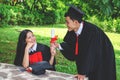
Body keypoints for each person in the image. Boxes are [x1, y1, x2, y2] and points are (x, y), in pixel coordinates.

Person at [52, 5, 116, 80]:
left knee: (100, 75)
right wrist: (58, 45)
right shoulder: (73, 30)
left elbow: (90, 53)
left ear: (75, 22)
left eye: (67, 22)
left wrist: (82, 73)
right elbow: (72, 48)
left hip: (103, 56)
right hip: (91, 57)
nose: (66, 24)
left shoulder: (92, 32)